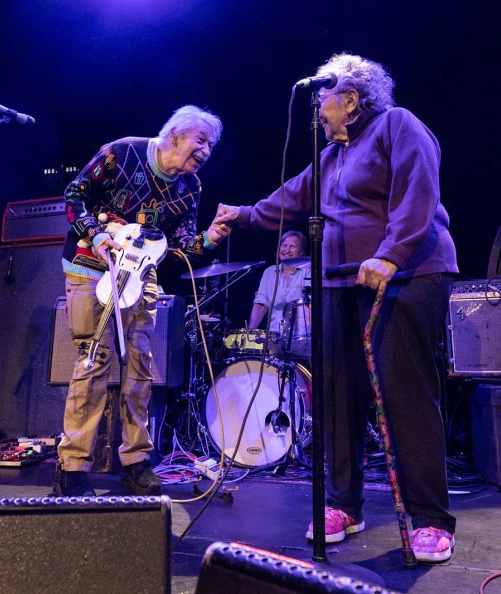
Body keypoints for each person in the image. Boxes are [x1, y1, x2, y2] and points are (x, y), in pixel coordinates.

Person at [215, 53, 459, 563]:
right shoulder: (328, 156)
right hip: (338, 281)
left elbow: (418, 192)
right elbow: (289, 200)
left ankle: (432, 519)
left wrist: (390, 255)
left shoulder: (397, 125)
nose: (316, 112)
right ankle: (343, 504)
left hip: (407, 273)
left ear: (350, 100)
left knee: (404, 394)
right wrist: (240, 215)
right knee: (336, 395)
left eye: (323, 100)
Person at [54, 105, 230, 496]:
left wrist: (212, 237)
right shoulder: (123, 151)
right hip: (90, 262)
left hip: (140, 272)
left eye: (211, 146)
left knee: (140, 367)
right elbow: (73, 195)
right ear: (173, 136)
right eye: (201, 140)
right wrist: (97, 236)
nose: (206, 151)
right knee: (93, 362)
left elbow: (182, 248)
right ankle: (72, 468)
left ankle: (136, 464)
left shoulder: (191, 188)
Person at [248, 230, 310, 339]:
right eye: (284, 245)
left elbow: (310, 305)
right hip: (273, 337)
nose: (286, 250)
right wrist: (250, 333)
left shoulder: (307, 271)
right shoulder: (269, 272)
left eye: (292, 247)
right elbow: (260, 305)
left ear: (301, 252)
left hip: (300, 338)